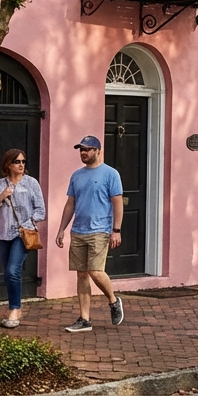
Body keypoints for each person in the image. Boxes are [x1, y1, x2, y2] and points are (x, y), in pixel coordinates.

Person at [54, 136, 125, 333]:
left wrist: (116, 230)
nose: (83, 153)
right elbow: (70, 204)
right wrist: (62, 229)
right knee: (82, 274)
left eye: (88, 149)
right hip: (78, 230)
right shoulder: (77, 175)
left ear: (98, 151)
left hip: (100, 230)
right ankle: (85, 319)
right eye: (81, 150)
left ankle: (113, 300)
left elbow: (117, 202)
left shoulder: (111, 174)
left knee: (95, 271)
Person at [0, 148, 46, 328]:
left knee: (13, 271)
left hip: (22, 235)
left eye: (23, 162)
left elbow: (41, 210)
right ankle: (15, 307)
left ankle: (14, 308)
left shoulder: (31, 183)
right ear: (8, 164)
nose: (21, 165)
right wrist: (1, 197)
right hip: (3, 234)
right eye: (17, 162)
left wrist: (26, 224)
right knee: (8, 274)